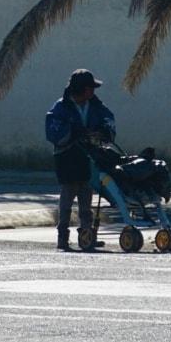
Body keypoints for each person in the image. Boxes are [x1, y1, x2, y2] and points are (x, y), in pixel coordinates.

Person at [44, 67, 115, 251]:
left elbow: (108, 119)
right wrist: (72, 131)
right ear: (82, 89)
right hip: (67, 158)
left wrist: (104, 130)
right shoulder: (61, 108)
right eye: (91, 87)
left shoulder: (95, 105)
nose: (93, 91)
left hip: (87, 157)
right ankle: (62, 237)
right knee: (67, 197)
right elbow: (53, 132)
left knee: (86, 197)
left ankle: (87, 235)